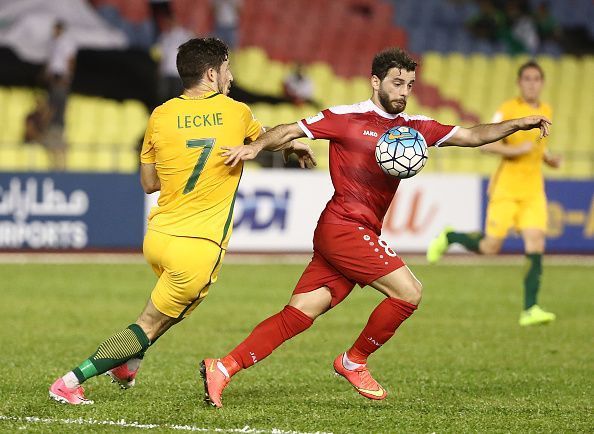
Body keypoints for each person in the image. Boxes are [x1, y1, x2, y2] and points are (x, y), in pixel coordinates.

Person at [199, 47, 552, 408]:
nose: (403, 91)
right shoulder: (346, 118)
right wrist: (257, 146)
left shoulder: (414, 128)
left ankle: (222, 367)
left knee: (301, 312)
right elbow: (290, 129)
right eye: (397, 83)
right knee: (409, 292)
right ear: (375, 81)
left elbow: (474, 135)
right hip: (345, 227)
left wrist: (517, 124)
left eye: (409, 85)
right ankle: (353, 361)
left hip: (352, 231)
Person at [48, 37, 315, 405]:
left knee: (174, 310)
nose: (231, 76)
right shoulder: (234, 112)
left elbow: (148, 183)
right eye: (226, 69)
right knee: (150, 322)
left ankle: (128, 362)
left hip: (158, 237)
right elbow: (265, 138)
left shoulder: (159, 115)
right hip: (197, 247)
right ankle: (70, 381)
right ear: (211, 73)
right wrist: (294, 144)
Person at [427, 60, 560, 327]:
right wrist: (514, 151)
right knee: (490, 247)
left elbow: (536, 148)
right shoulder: (509, 110)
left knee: (536, 244)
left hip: (534, 190)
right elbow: (487, 146)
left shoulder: (546, 110)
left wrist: (548, 159)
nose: (532, 83)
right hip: (507, 189)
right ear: (520, 84)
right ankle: (451, 235)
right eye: (527, 79)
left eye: (536, 79)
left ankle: (530, 308)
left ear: (542, 83)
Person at [44, 20, 77, 170]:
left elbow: (70, 60)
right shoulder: (53, 42)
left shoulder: (67, 42)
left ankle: (57, 129)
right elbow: (52, 61)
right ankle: (54, 128)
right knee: (53, 103)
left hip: (61, 77)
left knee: (58, 105)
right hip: (55, 78)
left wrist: (67, 77)